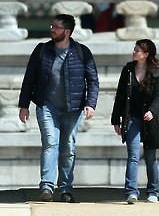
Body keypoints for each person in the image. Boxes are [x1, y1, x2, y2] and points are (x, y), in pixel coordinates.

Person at [18, 14, 99, 203]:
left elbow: (93, 81)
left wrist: (90, 103)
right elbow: (29, 79)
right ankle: (47, 186)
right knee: (50, 143)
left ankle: (65, 189)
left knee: (68, 148)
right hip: (47, 106)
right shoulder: (42, 51)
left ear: (67, 32)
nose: (52, 29)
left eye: (56, 27)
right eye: (51, 25)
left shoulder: (82, 52)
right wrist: (24, 105)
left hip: (73, 108)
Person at [111, 39, 159, 204]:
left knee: (150, 157)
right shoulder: (128, 70)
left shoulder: (156, 72)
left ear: (146, 54)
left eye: (137, 50)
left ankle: (153, 191)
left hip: (150, 120)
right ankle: (131, 192)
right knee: (132, 156)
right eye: (134, 49)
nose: (134, 52)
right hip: (132, 118)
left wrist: (152, 111)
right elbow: (120, 96)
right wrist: (115, 119)